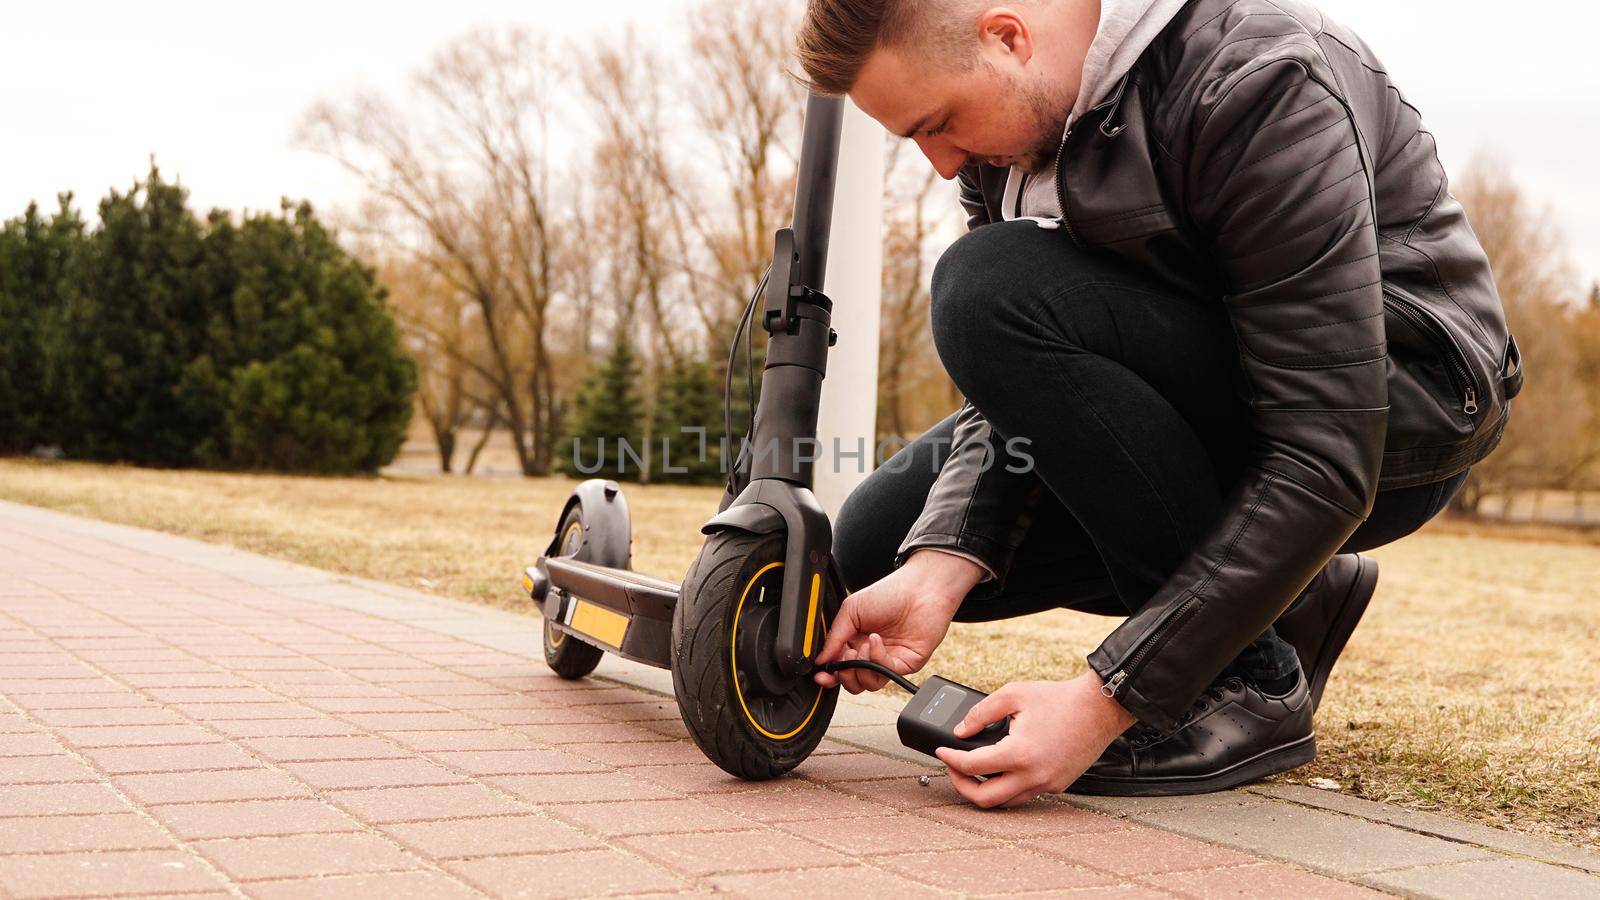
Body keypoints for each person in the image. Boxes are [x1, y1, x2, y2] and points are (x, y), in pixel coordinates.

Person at [796, 0, 1523, 808]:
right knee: (879, 546)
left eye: (939, 124)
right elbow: (1022, 382)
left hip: (1392, 411)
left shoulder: (1258, 79)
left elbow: (1326, 448)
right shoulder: (1002, 133)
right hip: (1217, 398)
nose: (941, 162)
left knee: (982, 288)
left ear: (1007, 37)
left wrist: (1111, 698)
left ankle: (1244, 685)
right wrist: (945, 561)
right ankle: (1290, 595)